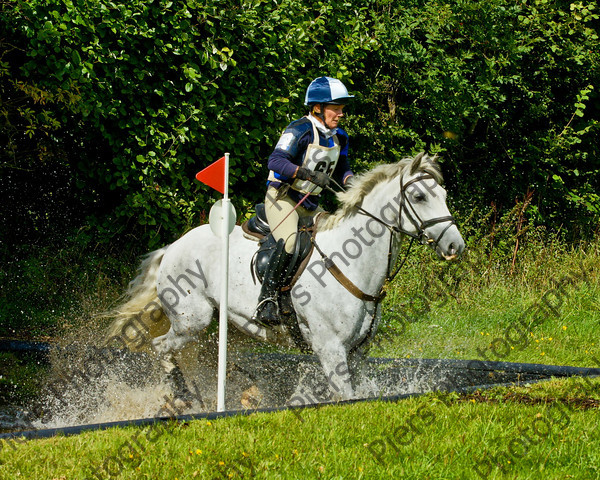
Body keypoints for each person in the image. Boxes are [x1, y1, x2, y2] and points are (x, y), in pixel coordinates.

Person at [252, 76, 355, 325]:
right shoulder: (299, 129)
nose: (341, 114)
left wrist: (353, 183)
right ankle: (266, 301)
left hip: (309, 204)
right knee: (288, 243)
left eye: (342, 109)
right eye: (336, 108)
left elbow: (343, 168)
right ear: (317, 108)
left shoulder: (339, 136)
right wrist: (306, 173)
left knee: (341, 236)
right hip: (283, 197)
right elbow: (275, 161)